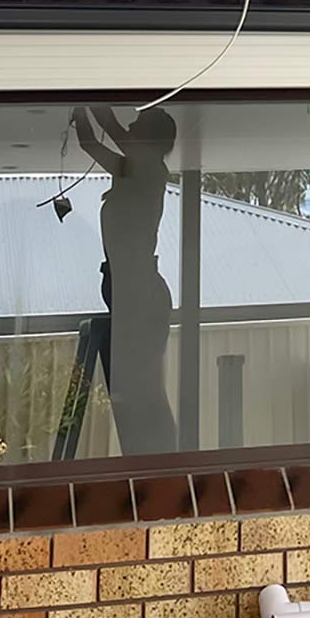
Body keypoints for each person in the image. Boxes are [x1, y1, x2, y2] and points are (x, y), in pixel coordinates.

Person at [72, 106, 178, 455]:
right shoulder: (131, 170)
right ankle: (156, 460)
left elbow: (110, 127)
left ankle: (161, 461)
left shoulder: (149, 169)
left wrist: (90, 98)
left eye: (138, 125)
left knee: (142, 388)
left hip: (138, 289)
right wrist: (81, 110)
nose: (130, 128)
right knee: (139, 388)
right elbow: (90, 143)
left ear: (150, 140)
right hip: (129, 287)